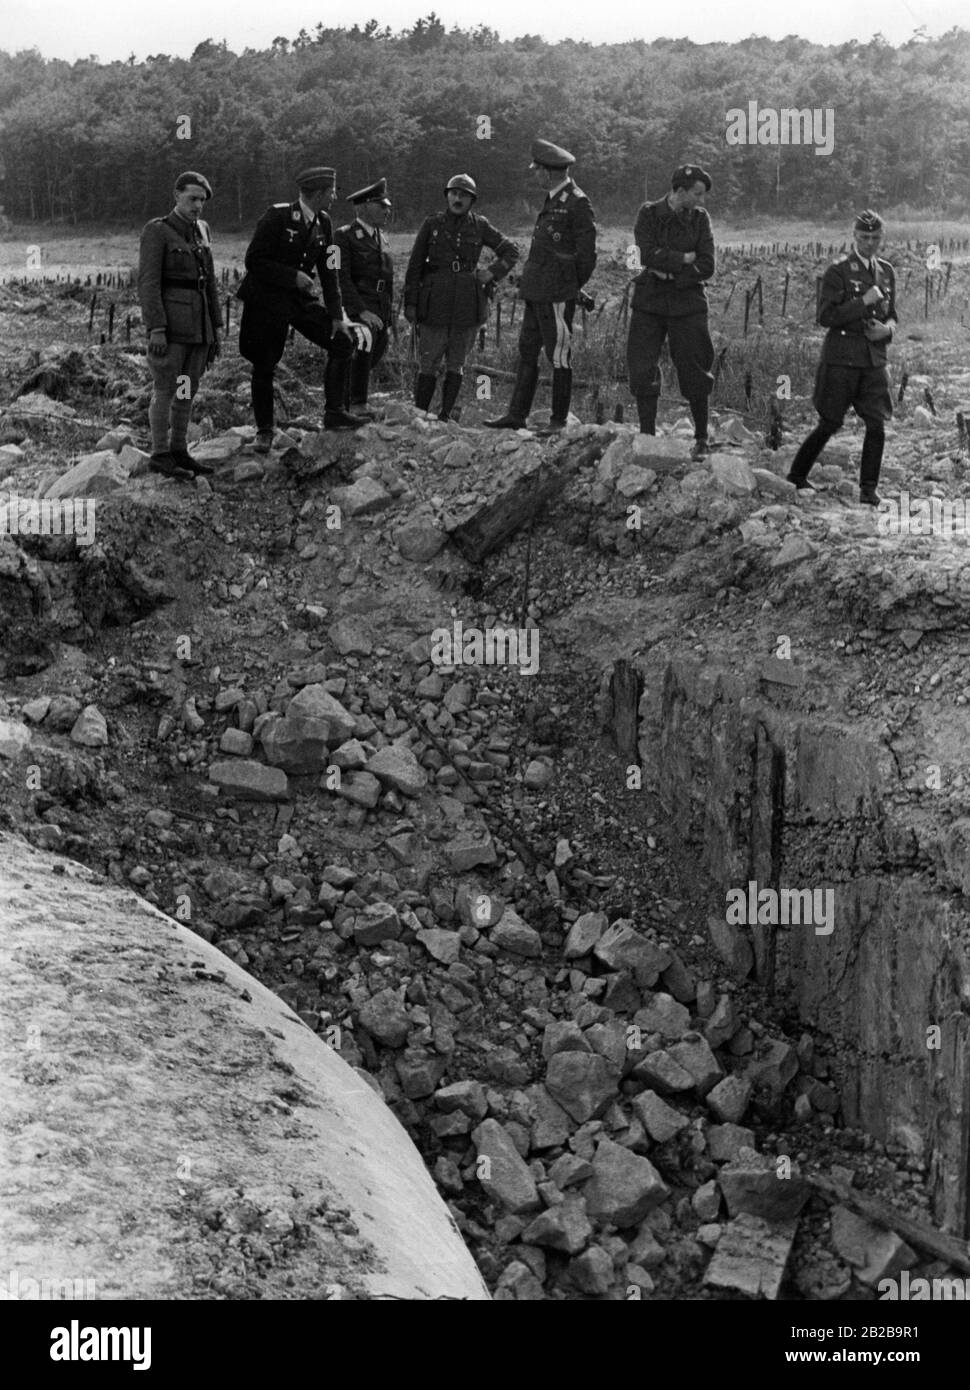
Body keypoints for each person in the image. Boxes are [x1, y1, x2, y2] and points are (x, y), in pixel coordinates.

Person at [237, 166, 362, 450]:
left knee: (343, 342)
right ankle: (265, 430)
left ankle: (334, 413)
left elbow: (330, 273)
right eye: (331, 192)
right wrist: (291, 276)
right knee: (264, 364)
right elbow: (253, 261)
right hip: (267, 300)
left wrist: (336, 315)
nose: (334, 197)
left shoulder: (324, 222)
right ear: (318, 193)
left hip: (297, 301)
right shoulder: (277, 216)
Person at [484, 139, 596, 434]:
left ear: (549, 172)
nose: (535, 175)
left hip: (557, 293)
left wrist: (570, 286)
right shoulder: (553, 199)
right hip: (536, 292)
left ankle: (558, 421)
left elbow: (587, 256)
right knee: (527, 351)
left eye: (538, 171)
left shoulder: (577, 202)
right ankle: (516, 415)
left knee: (559, 354)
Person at [787, 209, 897, 505]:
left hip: (874, 361)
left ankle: (868, 489)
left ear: (881, 238)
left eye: (875, 237)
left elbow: (893, 316)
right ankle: (797, 475)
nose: (870, 243)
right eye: (864, 237)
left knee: (876, 424)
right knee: (830, 421)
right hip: (842, 359)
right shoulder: (838, 271)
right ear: (854, 236)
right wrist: (863, 302)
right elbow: (825, 316)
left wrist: (886, 329)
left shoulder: (886, 271)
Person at [404, 174, 518, 422]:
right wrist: (410, 303)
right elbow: (414, 267)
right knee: (429, 362)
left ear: (471, 200)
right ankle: (420, 415)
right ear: (447, 195)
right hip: (435, 302)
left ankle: (445, 416)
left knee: (456, 363)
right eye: (454, 193)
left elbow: (511, 250)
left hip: (467, 304)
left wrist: (492, 273)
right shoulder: (432, 224)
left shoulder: (480, 226)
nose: (458, 199)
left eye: (463, 195)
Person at [626, 164, 716, 460]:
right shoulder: (648, 214)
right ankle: (648, 434)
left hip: (687, 302)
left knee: (695, 367)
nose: (701, 201)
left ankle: (701, 437)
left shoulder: (700, 220)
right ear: (679, 191)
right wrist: (682, 258)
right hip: (650, 300)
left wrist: (670, 272)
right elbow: (644, 253)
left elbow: (707, 264)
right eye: (697, 194)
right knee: (642, 366)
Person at [137, 171, 221, 479]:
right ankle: (160, 454)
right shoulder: (158, 231)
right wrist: (156, 327)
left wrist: (216, 328)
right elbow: (148, 282)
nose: (198, 205)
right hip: (171, 328)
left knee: (188, 388)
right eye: (192, 198)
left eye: (202, 200)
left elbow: (209, 281)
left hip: (199, 326)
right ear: (177, 196)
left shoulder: (202, 230)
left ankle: (179, 449)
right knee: (165, 388)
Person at [333, 178, 394, 420]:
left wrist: (388, 313)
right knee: (363, 342)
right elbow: (339, 276)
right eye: (382, 206)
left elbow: (387, 278)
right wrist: (359, 310)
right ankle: (357, 403)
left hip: (380, 305)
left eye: (387, 206)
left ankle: (346, 399)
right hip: (357, 304)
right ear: (364, 208)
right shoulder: (343, 236)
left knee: (376, 349)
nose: (387, 211)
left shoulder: (383, 237)